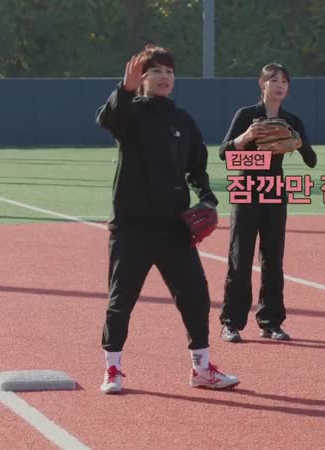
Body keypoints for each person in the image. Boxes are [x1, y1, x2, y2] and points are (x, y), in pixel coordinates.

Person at [95, 44, 239, 394]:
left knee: (196, 296)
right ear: (142, 78)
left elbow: (197, 169)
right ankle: (113, 368)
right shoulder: (129, 113)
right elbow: (107, 120)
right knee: (121, 299)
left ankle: (201, 368)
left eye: (169, 71)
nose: (165, 77)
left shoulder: (182, 120)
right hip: (132, 226)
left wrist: (207, 199)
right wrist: (124, 90)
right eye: (157, 70)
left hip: (174, 227)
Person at [218, 63, 318, 343]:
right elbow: (224, 155)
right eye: (273, 80)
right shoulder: (246, 115)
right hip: (246, 188)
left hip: (274, 189)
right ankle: (231, 323)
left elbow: (311, 161)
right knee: (240, 258)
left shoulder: (292, 120)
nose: (279, 85)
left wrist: (297, 142)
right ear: (262, 84)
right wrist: (246, 137)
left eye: (284, 81)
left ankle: (271, 321)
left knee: (273, 259)